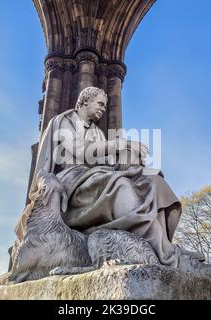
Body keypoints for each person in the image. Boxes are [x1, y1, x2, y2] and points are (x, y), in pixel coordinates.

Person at [15, 87, 199, 267]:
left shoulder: (97, 132)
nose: (103, 109)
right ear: (85, 101)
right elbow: (81, 151)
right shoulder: (64, 121)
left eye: (105, 106)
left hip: (95, 176)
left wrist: (132, 160)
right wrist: (119, 144)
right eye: (101, 104)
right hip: (71, 180)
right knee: (120, 186)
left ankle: (165, 247)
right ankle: (167, 255)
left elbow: (108, 163)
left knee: (151, 182)